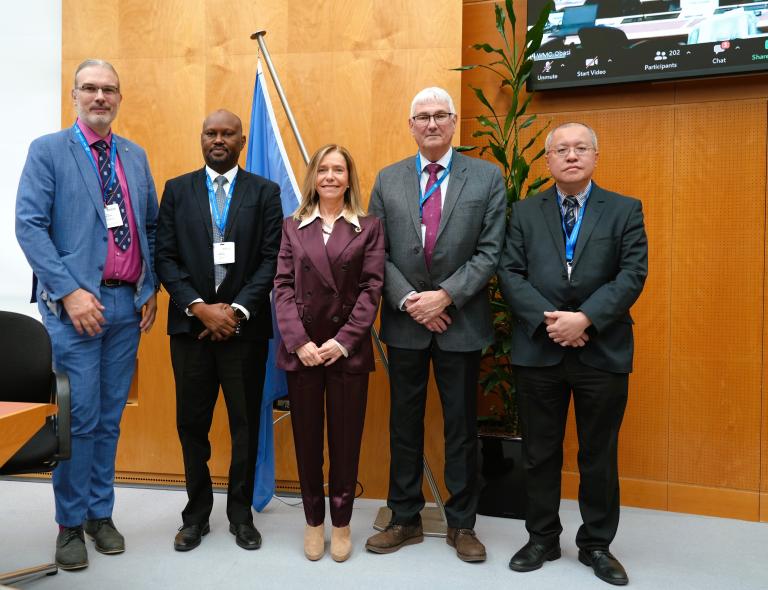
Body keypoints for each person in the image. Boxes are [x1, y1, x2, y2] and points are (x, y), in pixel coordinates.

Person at [15, 59, 158, 570]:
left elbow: (150, 227)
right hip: (76, 307)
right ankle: (70, 524)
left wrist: (150, 288)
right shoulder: (49, 151)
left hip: (125, 306)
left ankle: (101, 514)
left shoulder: (135, 157)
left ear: (120, 97)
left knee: (110, 419)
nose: (100, 97)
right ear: (74, 94)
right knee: (78, 419)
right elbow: (29, 226)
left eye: (109, 89)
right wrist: (70, 291)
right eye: (90, 88)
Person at [497, 122, 648, 586]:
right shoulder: (523, 213)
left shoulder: (624, 210)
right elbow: (509, 272)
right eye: (561, 149)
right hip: (539, 350)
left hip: (601, 350)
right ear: (548, 161)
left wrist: (584, 320)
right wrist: (554, 322)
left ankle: (596, 544)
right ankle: (541, 537)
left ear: (596, 156)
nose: (571, 155)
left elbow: (632, 273)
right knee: (540, 452)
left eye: (581, 148)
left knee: (598, 454)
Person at [365, 87, 506, 562]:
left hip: (459, 322)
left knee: (461, 426)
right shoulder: (388, 180)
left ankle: (462, 524)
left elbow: (490, 251)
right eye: (422, 117)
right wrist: (409, 299)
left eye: (440, 115)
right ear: (410, 125)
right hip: (406, 323)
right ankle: (404, 518)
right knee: (403, 423)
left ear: (454, 122)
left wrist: (445, 295)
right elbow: (376, 251)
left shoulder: (486, 177)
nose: (431, 123)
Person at [155, 109, 282, 552]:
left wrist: (237, 311)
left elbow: (272, 258)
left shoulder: (265, 193)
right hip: (191, 330)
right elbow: (164, 256)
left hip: (244, 332)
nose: (219, 139)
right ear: (201, 138)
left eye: (228, 133)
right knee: (192, 424)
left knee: (245, 424)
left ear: (242, 141)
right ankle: (195, 515)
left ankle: (241, 515)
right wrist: (200, 308)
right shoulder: (176, 190)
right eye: (211, 132)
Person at [274, 144, 384, 562]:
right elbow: (281, 285)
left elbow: (372, 288)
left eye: (339, 170)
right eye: (324, 170)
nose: (331, 177)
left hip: (346, 350)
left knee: (345, 441)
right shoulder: (292, 225)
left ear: (349, 178)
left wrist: (343, 341)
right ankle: (313, 521)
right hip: (302, 350)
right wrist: (298, 341)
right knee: (306, 441)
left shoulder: (368, 227)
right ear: (313, 177)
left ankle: (340, 524)